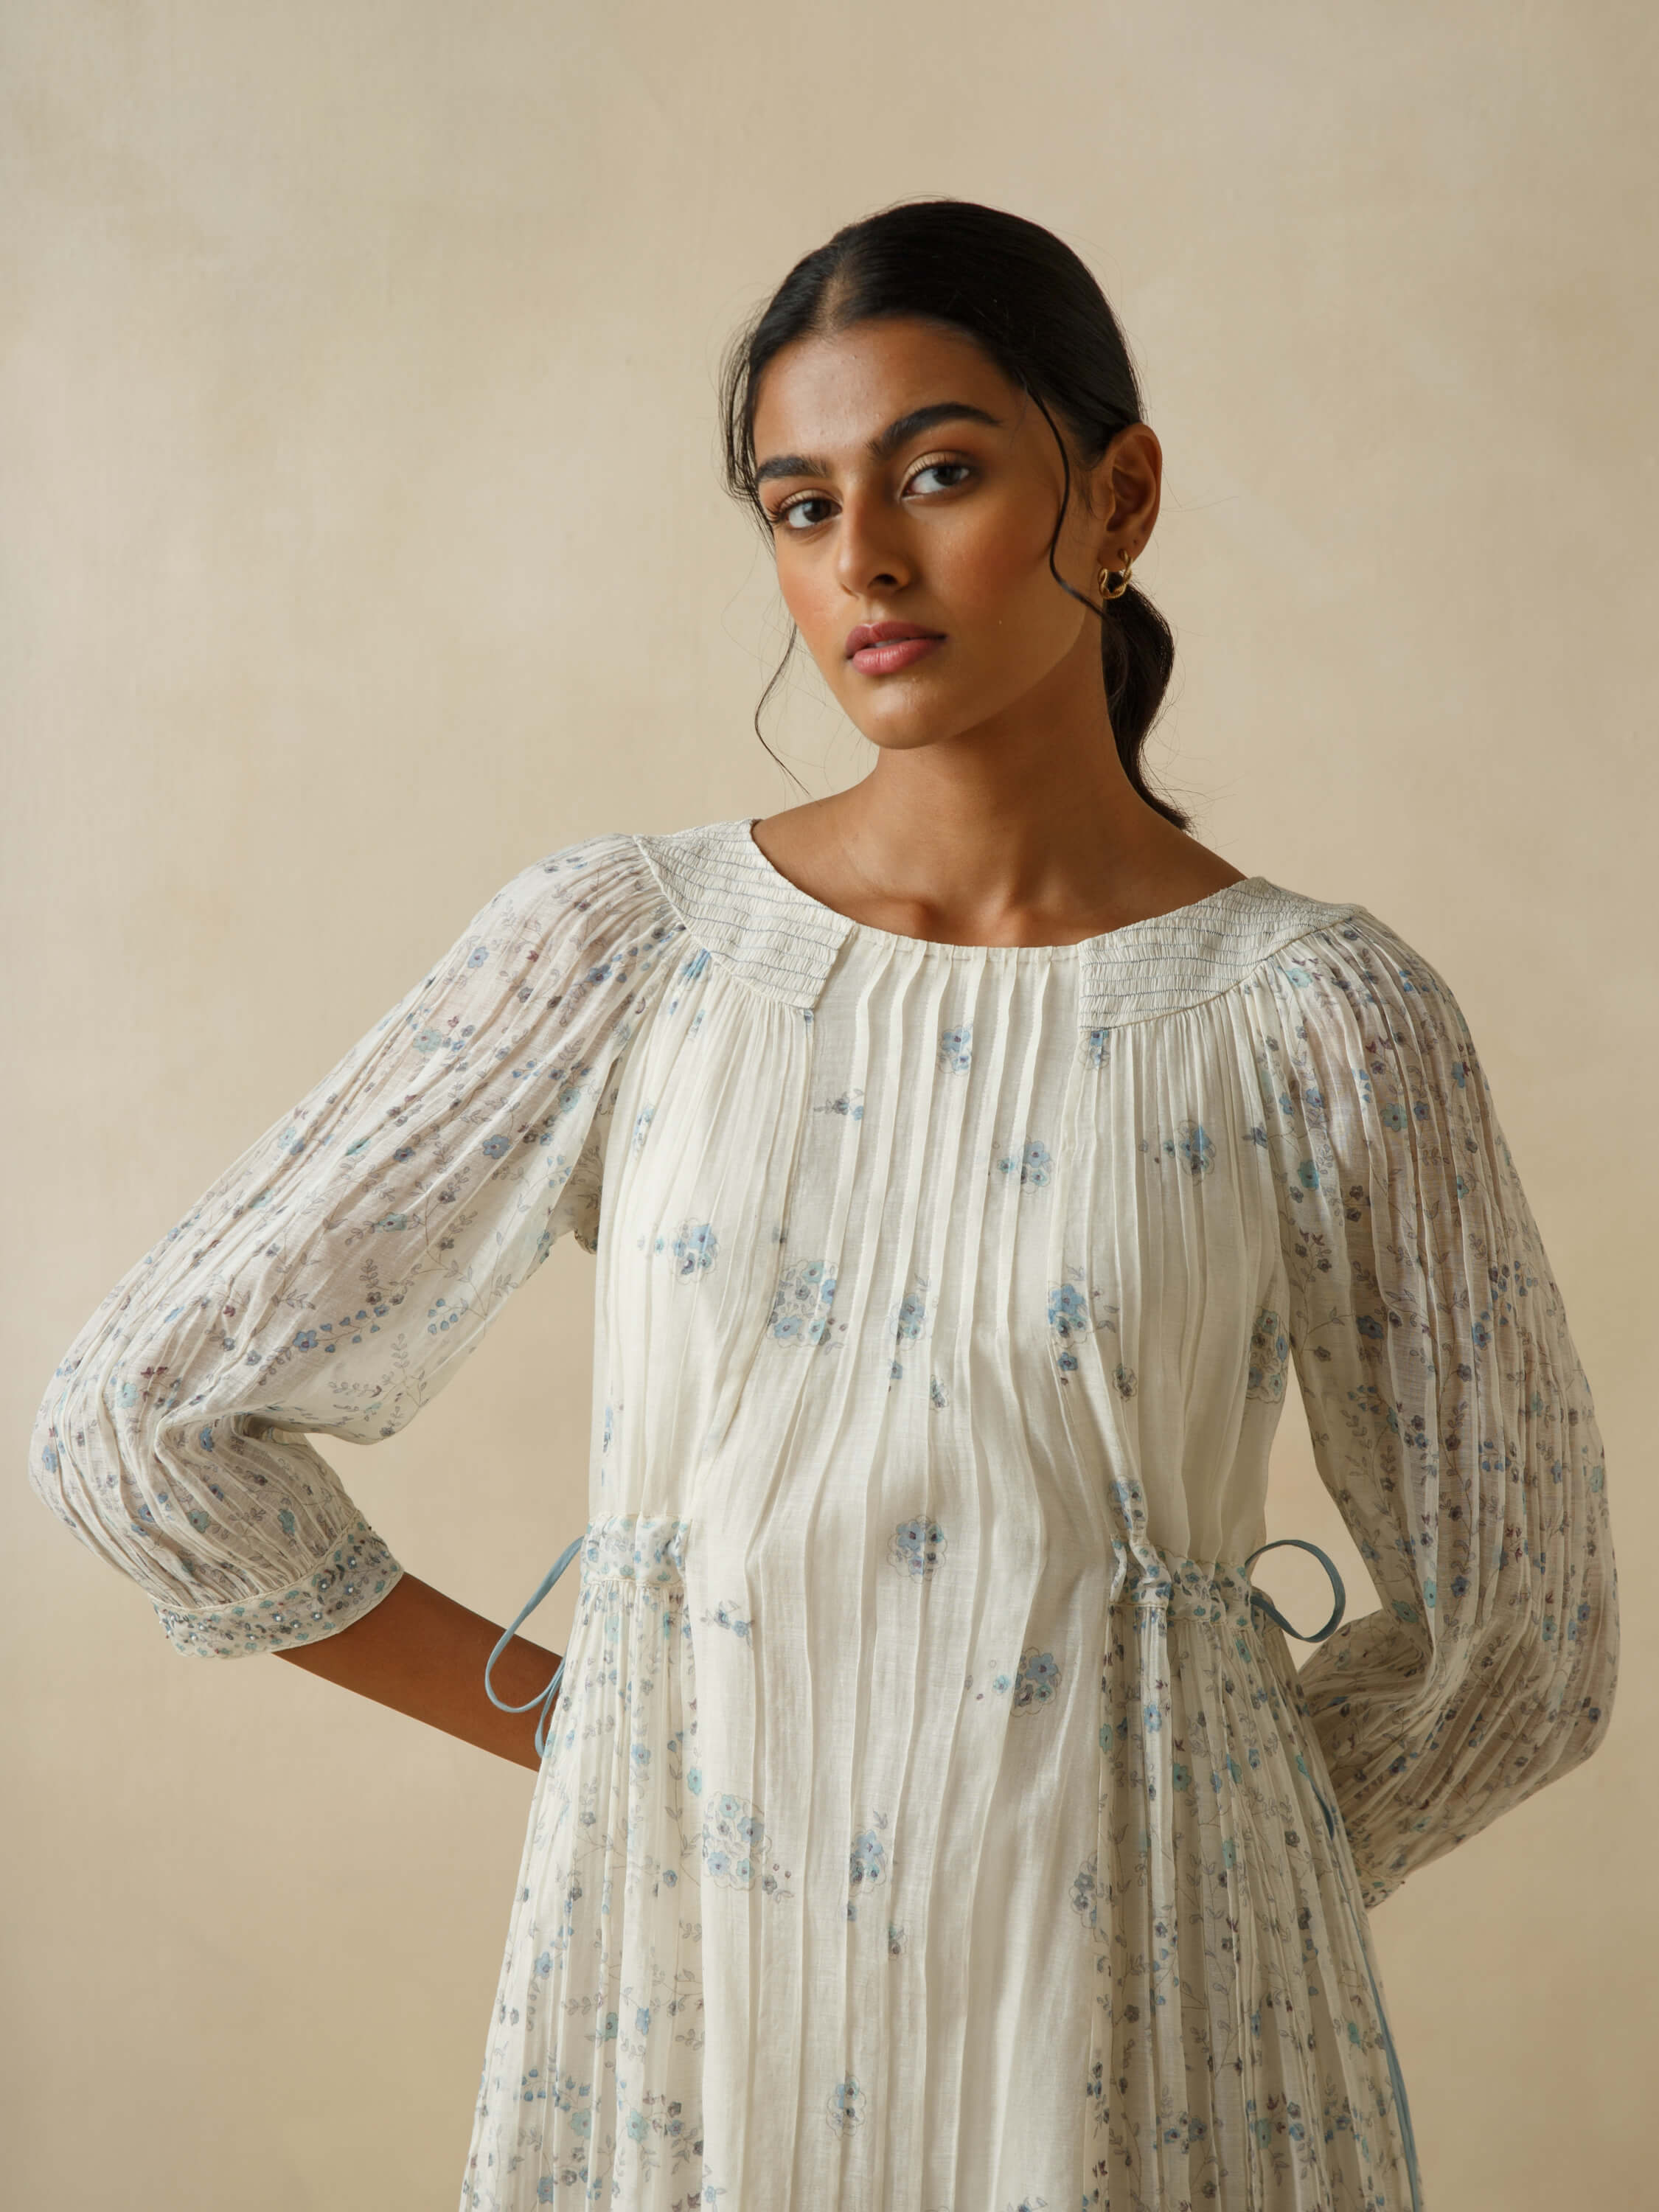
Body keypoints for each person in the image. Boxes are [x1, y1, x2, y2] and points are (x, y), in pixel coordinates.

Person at [29, 197, 1619, 2211]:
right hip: (695, 1988)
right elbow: (141, 1420)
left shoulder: (1315, 1015)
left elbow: (1528, 1636)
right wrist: (610, 1741)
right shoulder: (625, 947)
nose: (861, 557)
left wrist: (1194, 1855)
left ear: (1115, 498)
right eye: (796, 504)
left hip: (1151, 2032)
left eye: (939, 474)